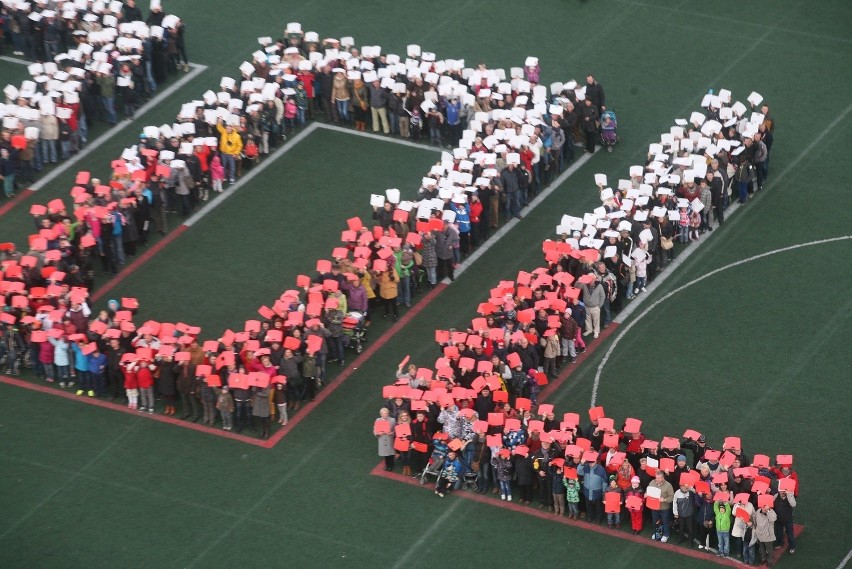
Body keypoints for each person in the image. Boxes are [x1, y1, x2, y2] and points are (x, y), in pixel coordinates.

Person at [577, 456, 607, 524]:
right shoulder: (585, 467)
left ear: (595, 461)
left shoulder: (601, 469)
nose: (591, 464)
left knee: (598, 507)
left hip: (598, 492)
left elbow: (604, 481)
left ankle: (599, 518)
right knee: (588, 506)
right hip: (587, 491)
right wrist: (581, 464)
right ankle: (590, 516)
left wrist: (604, 491)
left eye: (592, 462)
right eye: (589, 462)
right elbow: (579, 472)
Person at [648, 469, 675, 542]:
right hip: (654, 507)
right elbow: (648, 491)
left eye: (659, 478)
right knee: (655, 521)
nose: (657, 479)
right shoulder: (652, 482)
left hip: (664, 508)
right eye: (656, 478)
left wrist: (664, 500)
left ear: (663, 478)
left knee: (665, 522)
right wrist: (646, 494)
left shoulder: (668, 485)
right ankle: (657, 533)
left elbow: (671, 497)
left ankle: (666, 534)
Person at [754, 500, 777, 566]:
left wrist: (768, 510)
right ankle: (763, 559)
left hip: (768, 536)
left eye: (765, 507)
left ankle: (770, 561)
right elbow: (755, 519)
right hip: (760, 535)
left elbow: (773, 519)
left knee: (769, 550)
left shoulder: (771, 512)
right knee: (762, 549)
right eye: (763, 507)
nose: (764, 509)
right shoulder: (758, 511)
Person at [673, 482, 696, 547]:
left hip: (689, 514)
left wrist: (689, 487)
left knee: (690, 528)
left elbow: (695, 492)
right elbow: (675, 503)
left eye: (686, 486)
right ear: (680, 486)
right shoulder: (677, 493)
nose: (685, 488)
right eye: (683, 486)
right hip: (681, 514)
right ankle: (680, 538)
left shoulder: (690, 491)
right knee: (681, 527)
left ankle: (690, 541)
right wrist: (675, 513)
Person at [774, 489, 796, 555]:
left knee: (790, 534)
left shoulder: (790, 496)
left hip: (788, 520)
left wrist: (789, 494)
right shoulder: (775, 496)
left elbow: (793, 504)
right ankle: (780, 543)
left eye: (784, 491)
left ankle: (792, 546)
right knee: (779, 533)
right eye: (781, 490)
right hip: (778, 520)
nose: (783, 492)